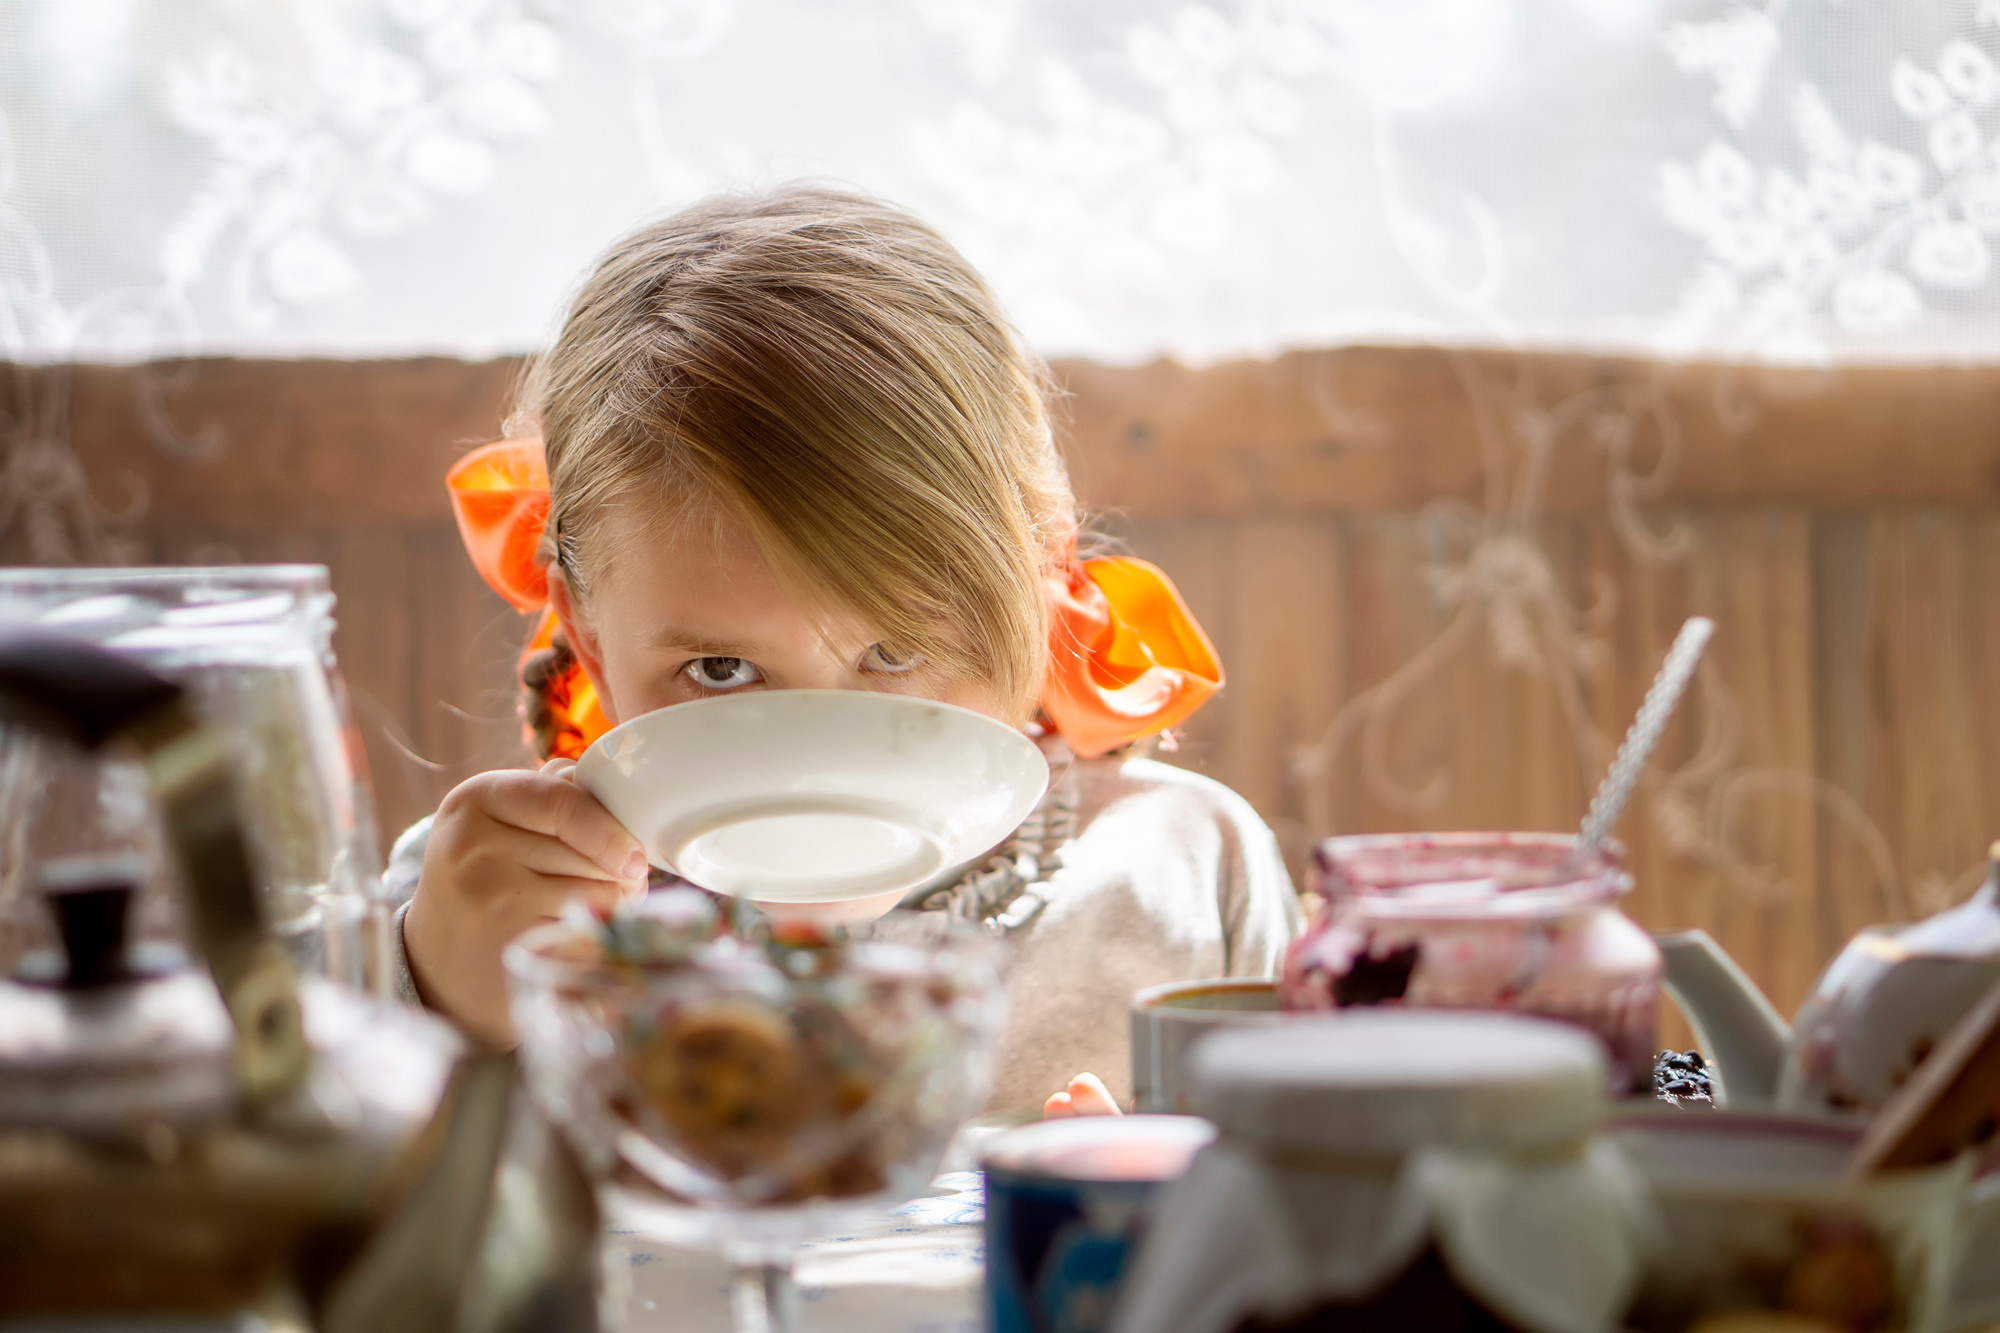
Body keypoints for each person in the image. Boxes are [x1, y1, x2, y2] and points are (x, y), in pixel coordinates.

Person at [388, 185, 1302, 1115]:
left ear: (1039, 585)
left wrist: (1171, 1196)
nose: (815, 755)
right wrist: (438, 1007)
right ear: (587, 635)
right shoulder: (491, 902)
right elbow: (345, 1182)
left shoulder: (1189, 872)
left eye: (895, 649)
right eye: (721, 670)